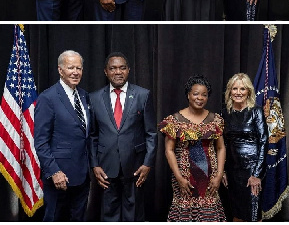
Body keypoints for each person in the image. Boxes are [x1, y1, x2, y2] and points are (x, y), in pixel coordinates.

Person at [88, 52, 158, 221]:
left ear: (128, 70)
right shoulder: (94, 98)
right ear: (106, 71)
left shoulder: (143, 95)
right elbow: (92, 136)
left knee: (133, 214)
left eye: (122, 68)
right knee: (109, 213)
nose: (118, 72)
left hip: (135, 166)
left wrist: (147, 163)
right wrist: (94, 165)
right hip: (106, 167)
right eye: (113, 68)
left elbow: (151, 133)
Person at [159, 75, 226, 221]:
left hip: (210, 180)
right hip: (184, 180)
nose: (200, 98)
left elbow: (221, 148)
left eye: (204, 95)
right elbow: (169, 150)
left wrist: (219, 175)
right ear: (188, 95)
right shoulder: (174, 120)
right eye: (196, 94)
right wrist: (179, 178)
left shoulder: (216, 120)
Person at [34, 50, 91, 221]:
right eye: (70, 67)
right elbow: (41, 142)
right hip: (59, 176)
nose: (75, 72)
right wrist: (54, 171)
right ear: (60, 70)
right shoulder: (48, 98)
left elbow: (86, 135)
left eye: (79, 68)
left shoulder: (84, 95)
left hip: (82, 175)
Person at [221, 73, 267, 221]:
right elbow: (223, 144)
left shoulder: (256, 111)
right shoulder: (225, 113)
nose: (238, 92)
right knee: (236, 212)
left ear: (248, 91)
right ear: (230, 91)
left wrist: (257, 174)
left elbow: (263, 141)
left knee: (252, 214)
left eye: (242, 89)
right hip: (233, 170)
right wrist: (223, 170)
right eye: (235, 88)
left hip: (252, 169)